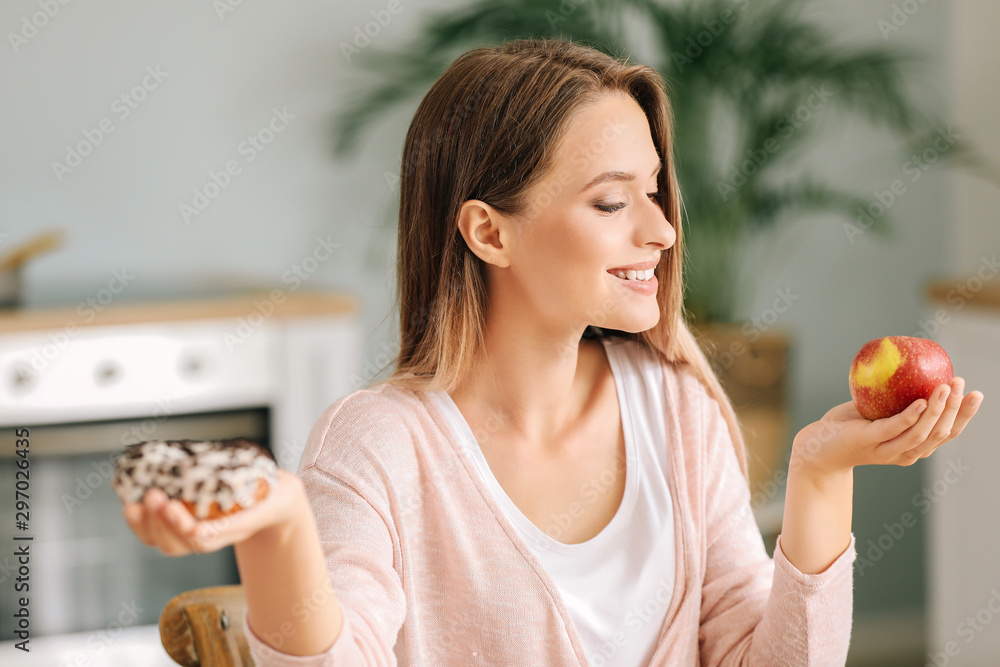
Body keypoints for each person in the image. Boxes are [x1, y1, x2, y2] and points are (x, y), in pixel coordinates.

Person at [121, 38, 983, 666]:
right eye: (612, 203)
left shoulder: (677, 405)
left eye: (653, 192)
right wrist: (279, 523)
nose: (661, 229)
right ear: (488, 231)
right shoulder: (379, 444)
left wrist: (821, 474)